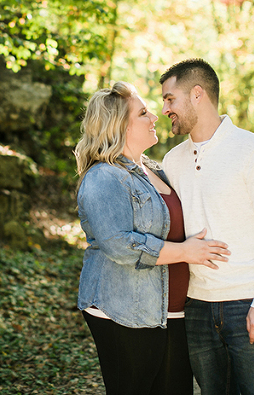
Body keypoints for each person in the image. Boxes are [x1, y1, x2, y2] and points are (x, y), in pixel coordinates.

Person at [74, 81, 231, 395]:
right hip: (125, 311)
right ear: (120, 126)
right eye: (143, 113)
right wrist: (186, 252)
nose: (155, 117)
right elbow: (121, 244)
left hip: (170, 311)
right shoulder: (103, 176)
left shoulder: (154, 170)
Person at [159, 59, 254, 395]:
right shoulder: (172, 161)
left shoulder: (252, 150)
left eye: (170, 99)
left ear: (197, 94)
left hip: (247, 302)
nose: (165, 109)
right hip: (196, 308)